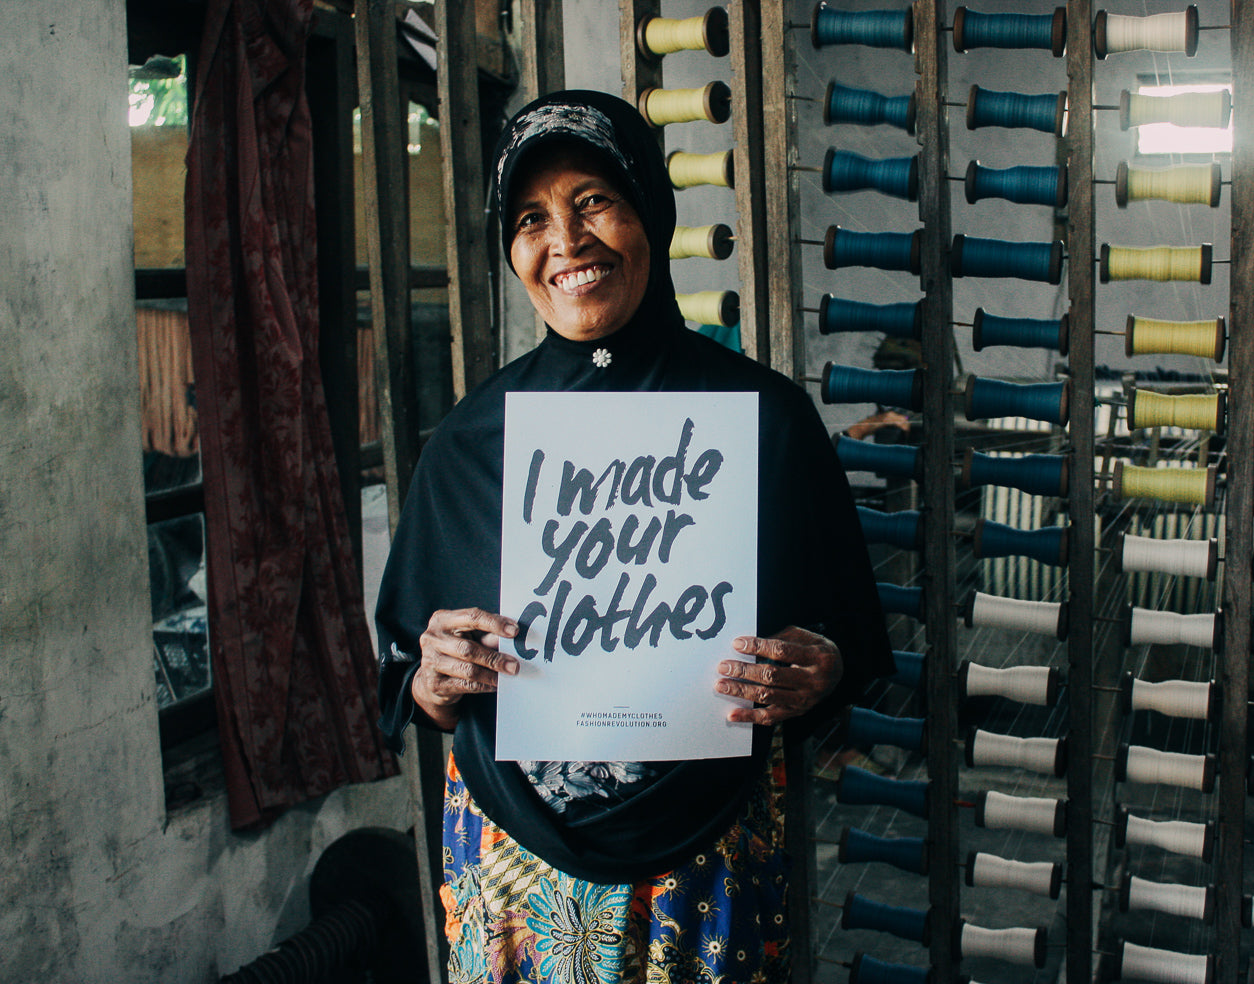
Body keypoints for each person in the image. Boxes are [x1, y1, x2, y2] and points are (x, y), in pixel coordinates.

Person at [375, 90, 891, 984]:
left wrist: (824, 667)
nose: (566, 242)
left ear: (651, 205)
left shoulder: (765, 422)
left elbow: (850, 635)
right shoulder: (471, 444)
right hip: (516, 875)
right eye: (532, 217)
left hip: (706, 862)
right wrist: (430, 678)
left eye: (593, 201)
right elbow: (400, 675)